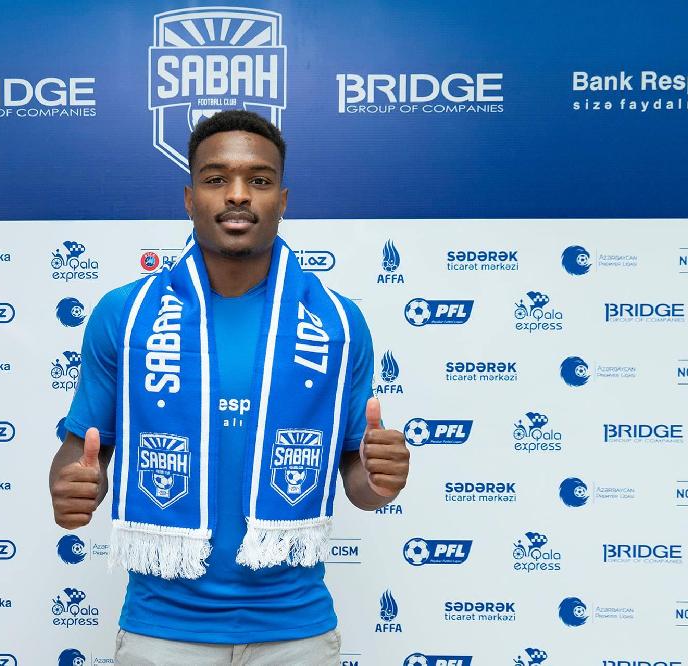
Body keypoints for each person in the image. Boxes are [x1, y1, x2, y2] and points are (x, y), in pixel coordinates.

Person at [49, 110, 409, 666]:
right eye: (216, 179)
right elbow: (80, 457)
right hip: (162, 631)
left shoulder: (336, 324)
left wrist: (381, 477)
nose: (238, 194)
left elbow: (358, 484)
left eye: (259, 180)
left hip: (295, 631)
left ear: (282, 201)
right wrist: (72, 487)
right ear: (189, 198)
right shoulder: (126, 315)